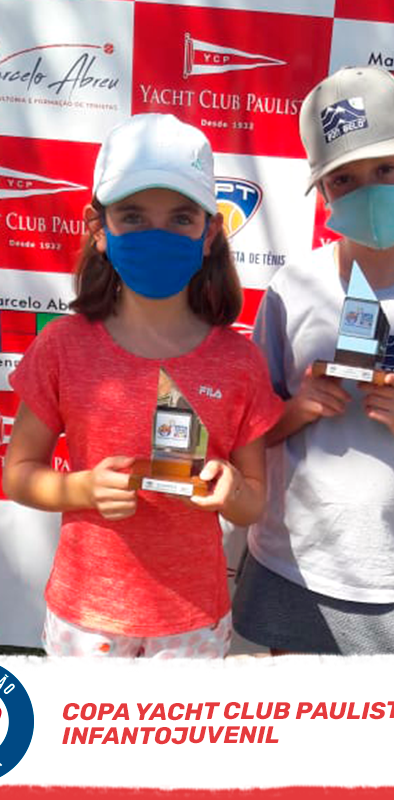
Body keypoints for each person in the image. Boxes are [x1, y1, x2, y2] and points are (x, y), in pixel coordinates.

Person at [232, 65, 394, 656]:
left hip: (391, 576)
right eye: (345, 179)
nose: (369, 190)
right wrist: (298, 409)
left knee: (380, 718)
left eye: (386, 169)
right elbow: (244, 434)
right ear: (322, 191)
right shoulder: (292, 289)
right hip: (285, 560)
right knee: (286, 711)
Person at [2, 113, 283, 659]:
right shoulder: (62, 345)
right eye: (133, 216)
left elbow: (253, 502)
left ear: (209, 234)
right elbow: (18, 475)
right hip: (85, 618)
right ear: (98, 229)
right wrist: (81, 489)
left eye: (180, 218)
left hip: (193, 621)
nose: (158, 235)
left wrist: (231, 489)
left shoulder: (239, 361)